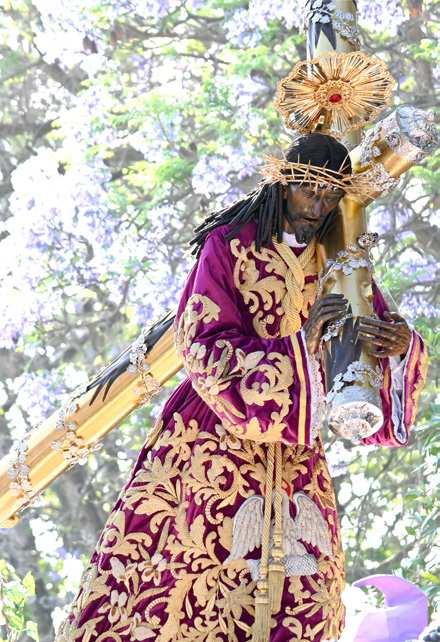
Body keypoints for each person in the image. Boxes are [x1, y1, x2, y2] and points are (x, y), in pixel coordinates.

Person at [56, 132, 427, 642]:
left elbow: (368, 337)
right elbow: (201, 340)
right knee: (186, 584)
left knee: (309, 601)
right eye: (308, 191)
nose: (317, 207)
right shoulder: (229, 245)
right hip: (211, 437)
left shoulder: (338, 258)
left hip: (296, 451)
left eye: (329, 196)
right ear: (284, 183)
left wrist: (399, 345)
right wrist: (298, 345)